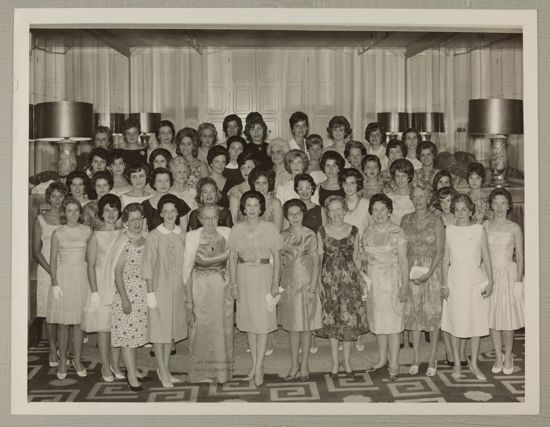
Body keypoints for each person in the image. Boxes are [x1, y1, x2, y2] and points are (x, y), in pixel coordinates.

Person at [228, 190, 282, 388]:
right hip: (243, 276)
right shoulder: (236, 229)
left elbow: (277, 256)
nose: (251, 209)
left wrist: (276, 282)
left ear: (261, 209)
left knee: (262, 323)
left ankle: (259, 368)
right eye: (248, 205)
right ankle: (254, 365)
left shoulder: (269, 228)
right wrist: (233, 284)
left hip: (264, 275)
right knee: (250, 323)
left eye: (255, 205)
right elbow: (232, 258)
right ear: (243, 208)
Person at [441, 194, 494, 381]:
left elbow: (487, 257)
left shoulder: (479, 229)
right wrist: (444, 283)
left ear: (470, 210)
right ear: (453, 212)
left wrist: (491, 281)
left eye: (464, 209)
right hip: (455, 281)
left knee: (476, 323)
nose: (461, 213)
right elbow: (445, 259)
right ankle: (457, 364)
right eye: (457, 209)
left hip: (475, 281)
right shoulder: (449, 230)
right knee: (456, 323)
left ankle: (474, 364)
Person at [316, 195, 368, 376]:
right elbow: (319, 259)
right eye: (332, 210)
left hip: (349, 281)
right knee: (332, 320)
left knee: (348, 320)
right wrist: (318, 283)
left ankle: (346, 361)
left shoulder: (354, 230)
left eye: (340, 209)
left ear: (344, 210)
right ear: (327, 213)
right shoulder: (321, 232)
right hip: (329, 280)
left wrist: (361, 278)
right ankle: (334, 362)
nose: (336, 213)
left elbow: (356, 258)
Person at [143, 194, 190, 388]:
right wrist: (150, 292)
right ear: (161, 214)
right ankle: (162, 370)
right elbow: (148, 264)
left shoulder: (182, 234)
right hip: (159, 288)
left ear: (178, 213)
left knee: (171, 331)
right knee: (159, 331)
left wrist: (188, 292)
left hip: (178, 289)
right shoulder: (154, 235)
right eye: (166, 211)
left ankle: (166, 369)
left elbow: (187, 265)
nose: (170, 215)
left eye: (173, 211)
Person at [360, 193, 409, 381]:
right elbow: (363, 256)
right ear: (371, 212)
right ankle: (382, 359)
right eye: (375, 209)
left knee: (393, 324)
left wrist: (404, 285)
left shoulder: (397, 231)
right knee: (379, 322)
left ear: (389, 211)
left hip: (391, 282)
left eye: (383, 209)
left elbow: (404, 260)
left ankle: (394, 363)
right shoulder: (368, 231)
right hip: (373, 283)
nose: (379, 213)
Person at [182, 205, 233, 383]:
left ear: (218, 217)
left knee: (221, 329)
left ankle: (221, 373)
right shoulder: (192, 237)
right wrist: (189, 299)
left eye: (214, 218)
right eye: (206, 218)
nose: (210, 222)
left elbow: (232, 262)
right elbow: (186, 269)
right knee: (200, 329)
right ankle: (201, 373)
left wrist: (233, 286)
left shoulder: (227, 233)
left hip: (222, 289)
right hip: (199, 288)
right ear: (200, 219)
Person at [401, 182, 445, 376]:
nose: (418, 200)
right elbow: (401, 250)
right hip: (411, 272)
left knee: (432, 315)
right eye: (415, 196)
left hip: (431, 272)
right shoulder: (405, 219)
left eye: (422, 196)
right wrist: (406, 273)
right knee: (414, 315)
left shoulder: (436, 220)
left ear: (429, 198)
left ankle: (433, 356)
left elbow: (441, 250)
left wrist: (429, 273)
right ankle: (416, 357)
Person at [48, 197, 92, 379]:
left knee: (79, 323)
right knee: (64, 323)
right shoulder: (58, 233)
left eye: (76, 210)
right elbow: (52, 263)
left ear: (80, 213)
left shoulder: (87, 231)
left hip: (81, 277)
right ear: (64, 214)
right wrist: (55, 284)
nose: (73, 214)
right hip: (64, 278)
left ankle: (78, 360)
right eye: (69, 211)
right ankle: (62, 360)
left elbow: (90, 259)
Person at [81, 194, 123, 382]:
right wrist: (95, 292)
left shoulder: (124, 233)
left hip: (119, 285)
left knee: (118, 327)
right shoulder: (96, 236)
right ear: (101, 213)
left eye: (114, 209)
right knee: (104, 328)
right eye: (107, 210)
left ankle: (116, 364)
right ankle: (105, 366)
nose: (111, 214)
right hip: (101, 284)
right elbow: (90, 265)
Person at [279, 199, 322, 380]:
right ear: (286, 216)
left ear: (303, 214)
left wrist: (313, 284)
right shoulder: (282, 236)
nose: (295, 217)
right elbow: (279, 262)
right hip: (289, 285)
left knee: (306, 326)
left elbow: (316, 261)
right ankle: (293, 364)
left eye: (298, 213)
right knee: (292, 327)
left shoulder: (311, 234)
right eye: (291, 214)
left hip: (306, 283)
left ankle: (304, 364)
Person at [484, 188, 524, 375]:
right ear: (491, 205)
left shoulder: (514, 227)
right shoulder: (485, 226)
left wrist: (518, 282)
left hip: (509, 274)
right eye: (496, 203)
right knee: (492, 317)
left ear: (508, 206)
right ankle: (498, 356)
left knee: (507, 318)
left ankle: (508, 355)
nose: (499, 207)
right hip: (490, 275)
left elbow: (521, 257)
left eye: (503, 203)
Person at [110, 203, 148, 391]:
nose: (136, 222)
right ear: (125, 222)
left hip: (141, 292)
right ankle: (131, 375)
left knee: (135, 336)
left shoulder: (143, 239)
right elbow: (117, 274)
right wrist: (124, 298)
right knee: (127, 336)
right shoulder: (124, 243)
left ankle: (132, 368)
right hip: (127, 292)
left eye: (138, 218)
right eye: (132, 219)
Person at [31, 182, 67, 367]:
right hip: (47, 270)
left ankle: (63, 349)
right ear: (48, 198)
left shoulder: (68, 217)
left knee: (64, 312)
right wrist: (51, 271)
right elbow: (36, 251)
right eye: (54, 196)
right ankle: (53, 350)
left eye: (61, 196)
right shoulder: (40, 219)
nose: (57, 200)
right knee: (50, 313)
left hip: (68, 270)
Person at [432, 186, 467, 366]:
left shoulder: (462, 219)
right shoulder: (436, 219)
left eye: (450, 201)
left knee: (460, 311)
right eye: (443, 201)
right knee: (445, 312)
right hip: (441, 269)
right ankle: (449, 350)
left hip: (460, 269)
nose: (446, 205)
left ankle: (461, 351)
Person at [142, 167, 191, 232]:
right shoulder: (145, 205)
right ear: (154, 184)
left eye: (166, 180)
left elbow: (184, 232)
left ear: (170, 182)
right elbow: (143, 232)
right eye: (159, 181)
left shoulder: (180, 203)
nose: (163, 184)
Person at [228, 151, 259, 224]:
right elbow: (233, 219)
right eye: (243, 168)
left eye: (249, 167)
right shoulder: (236, 190)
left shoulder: (262, 186)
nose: (246, 171)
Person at [249, 167, 283, 231]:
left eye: (264, 183)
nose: (261, 187)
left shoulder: (275, 203)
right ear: (253, 184)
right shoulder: (249, 201)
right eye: (257, 183)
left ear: (269, 184)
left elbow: (277, 230)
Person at [386, 159, 415, 226]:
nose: (400, 179)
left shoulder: (415, 195)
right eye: (397, 176)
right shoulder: (389, 197)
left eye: (403, 176)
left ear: (409, 177)